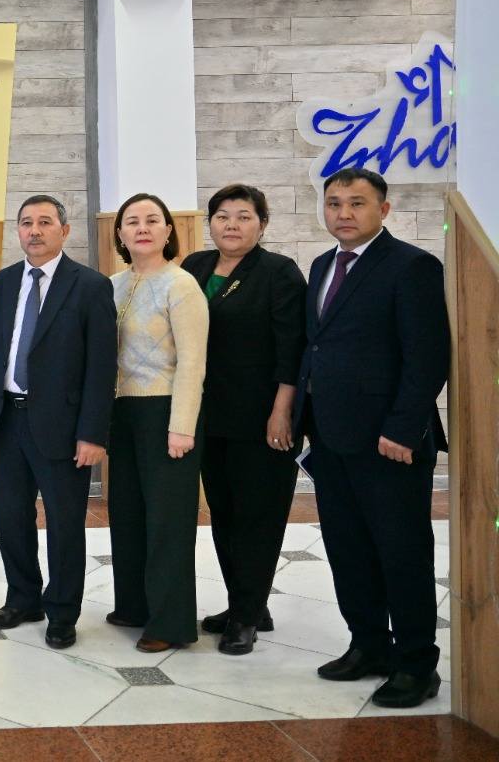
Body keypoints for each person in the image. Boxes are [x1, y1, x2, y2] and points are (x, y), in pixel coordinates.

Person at [297, 168, 449, 708]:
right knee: (348, 550)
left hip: (389, 442)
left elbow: (427, 356)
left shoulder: (412, 266)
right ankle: (368, 646)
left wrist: (402, 428)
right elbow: (317, 347)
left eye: (356, 203)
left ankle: (416, 665)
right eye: (334, 203)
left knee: (401, 554)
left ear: (383, 210)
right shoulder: (322, 265)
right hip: (332, 437)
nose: (343, 213)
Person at [0, 195, 115, 649]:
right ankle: (23, 598)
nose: (34, 231)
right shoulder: (3, 282)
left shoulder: (90, 286)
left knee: (64, 522)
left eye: (45, 222)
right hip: (7, 421)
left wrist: (92, 432)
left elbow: (102, 366)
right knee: (10, 518)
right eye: (26, 223)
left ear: (64, 230)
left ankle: (62, 611)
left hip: (64, 427)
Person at [180, 184, 306, 655]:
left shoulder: (278, 273)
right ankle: (246, 603)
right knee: (225, 515)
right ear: (210, 222)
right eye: (222, 216)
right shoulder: (195, 267)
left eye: (244, 216)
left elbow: (293, 349)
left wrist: (282, 412)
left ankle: (246, 618)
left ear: (262, 224)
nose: (231, 225)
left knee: (258, 517)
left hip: (262, 419)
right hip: (210, 415)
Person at [106, 192, 209, 653]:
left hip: (166, 412)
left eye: (152, 220)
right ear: (120, 234)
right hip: (122, 412)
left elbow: (193, 363)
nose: (142, 228)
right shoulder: (113, 285)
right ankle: (133, 606)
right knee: (127, 512)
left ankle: (170, 623)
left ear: (169, 230)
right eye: (132, 221)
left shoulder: (181, 285)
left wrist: (182, 425)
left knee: (168, 521)